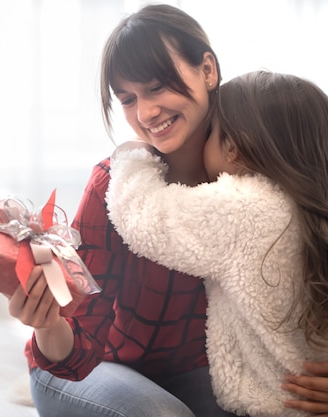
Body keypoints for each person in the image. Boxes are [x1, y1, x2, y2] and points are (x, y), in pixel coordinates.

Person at [6, 4, 328, 417]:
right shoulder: (116, 185)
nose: (144, 114)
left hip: (196, 375)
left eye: (157, 87)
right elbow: (77, 345)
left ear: (207, 70)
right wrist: (48, 324)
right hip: (90, 367)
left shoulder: (262, 170)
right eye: (127, 99)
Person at [106, 70, 328, 417]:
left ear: (234, 150)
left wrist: (131, 158)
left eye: (211, 133)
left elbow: (145, 217)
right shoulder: (314, 208)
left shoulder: (244, 206)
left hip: (269, 406)